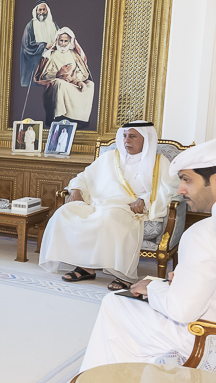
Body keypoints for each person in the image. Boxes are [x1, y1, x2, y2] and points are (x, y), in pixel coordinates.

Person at [79, 138, 216, 371]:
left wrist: (154, 287)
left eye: (186, 180)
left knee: (116, 304)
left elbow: (181, 311)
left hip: (204, 336)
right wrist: (181, 280)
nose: (181, 190)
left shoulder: (203, 234)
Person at [39, 122, 178, 290]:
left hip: (128, 208)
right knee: (65, 212)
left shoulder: (159, 162)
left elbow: (170, 189)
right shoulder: (110, 157)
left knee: (109, 217)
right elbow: (83, 176)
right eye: (125, 136)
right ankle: (85, 267)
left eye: (132, 136)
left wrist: (145, 199)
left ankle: (123, 275)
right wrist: (75, 190)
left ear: (146, 139)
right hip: (99, 203)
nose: (127, 140)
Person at [34, 27, 95, 125]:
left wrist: (77, 80)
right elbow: (45, 75)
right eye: (61, 40)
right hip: (59, 81)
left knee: (90, 85)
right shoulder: (51, 55)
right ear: (57, 40)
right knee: (60, 83)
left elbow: (82, 71)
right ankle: (60, 116)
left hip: (73, 83)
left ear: (70, 42)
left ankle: (80, 118)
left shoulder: (74, 55)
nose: (63, 43)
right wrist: (59, 74)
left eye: (66, 41)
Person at [19, 0, 60, 87]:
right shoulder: (30, 26)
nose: (41, 12)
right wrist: (44, 45)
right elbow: (26, 46)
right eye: (39, 10)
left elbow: (61, 39)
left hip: (51, 60)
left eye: (43, 10)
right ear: (36, 11)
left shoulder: (53, 24)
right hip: (36, 61)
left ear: (47, 10)